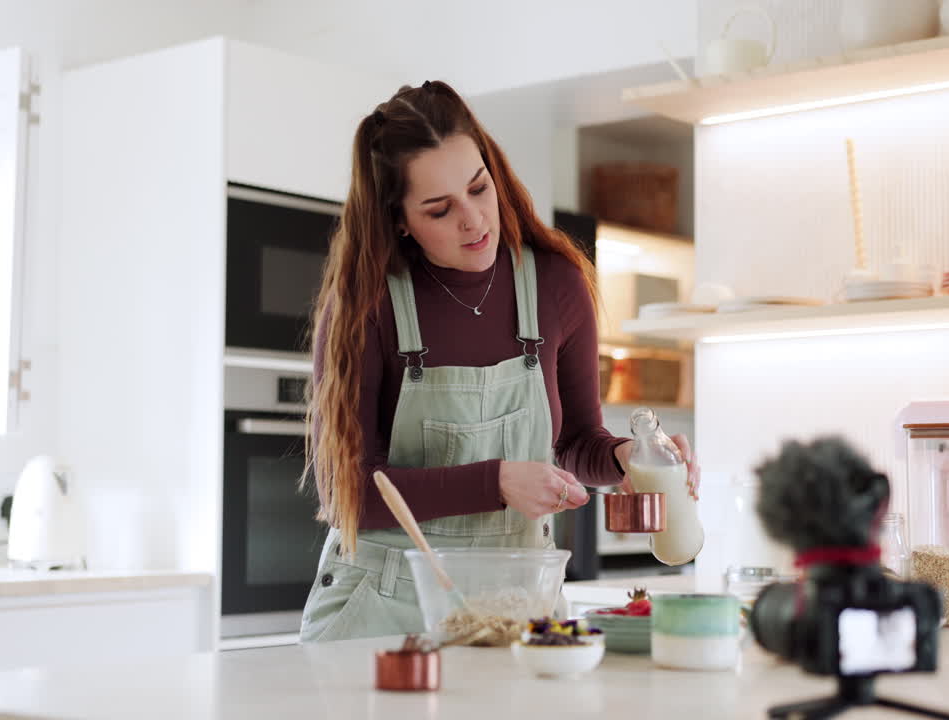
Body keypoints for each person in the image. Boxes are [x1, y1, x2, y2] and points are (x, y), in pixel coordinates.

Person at [299, 80, 699, 642]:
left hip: (518, 608)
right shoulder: (368, 302)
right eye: (440, 209)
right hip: (384, 609)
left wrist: (631, 458)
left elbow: (577, 442)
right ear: (399, 219)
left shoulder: (556, 283)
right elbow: (349, 493)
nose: (473, 219)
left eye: (479, 188)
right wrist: (496, 482)